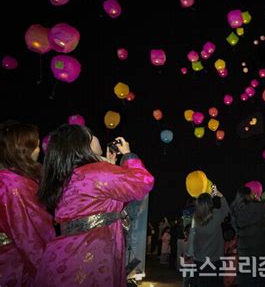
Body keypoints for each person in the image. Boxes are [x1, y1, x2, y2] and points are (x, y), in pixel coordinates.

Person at [34, 124, 155, 287]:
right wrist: (128, 155)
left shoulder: (68, 176)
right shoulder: (98, 171)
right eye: (91, 135)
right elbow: (143, 182)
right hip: (93, 252)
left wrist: (111, 166)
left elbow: (111, 202)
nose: (96, 137)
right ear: (82, 144)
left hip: (67, 253)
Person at [0, 121, 56, 287]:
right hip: (16, 267)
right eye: (36, 145)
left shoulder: (7, 179)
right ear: (23, 151)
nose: (39, 151)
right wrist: (51, 272)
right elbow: (31, 237)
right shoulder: (15, 186)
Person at [231, 186, 265, 287]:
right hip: (262, 250)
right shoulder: (260, 207)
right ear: (249, 195)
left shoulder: (235, 211)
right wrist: (258, 200)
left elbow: (236, 230)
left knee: (248, 280)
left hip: (244, 252)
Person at [191, 185, 229, 287]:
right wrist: (219, 195)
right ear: (210, 204)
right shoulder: (216, 215)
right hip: (215, 260)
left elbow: (204, 208)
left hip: (199, 260)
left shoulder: (196, 218)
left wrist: (209, 198)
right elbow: (226, 209)